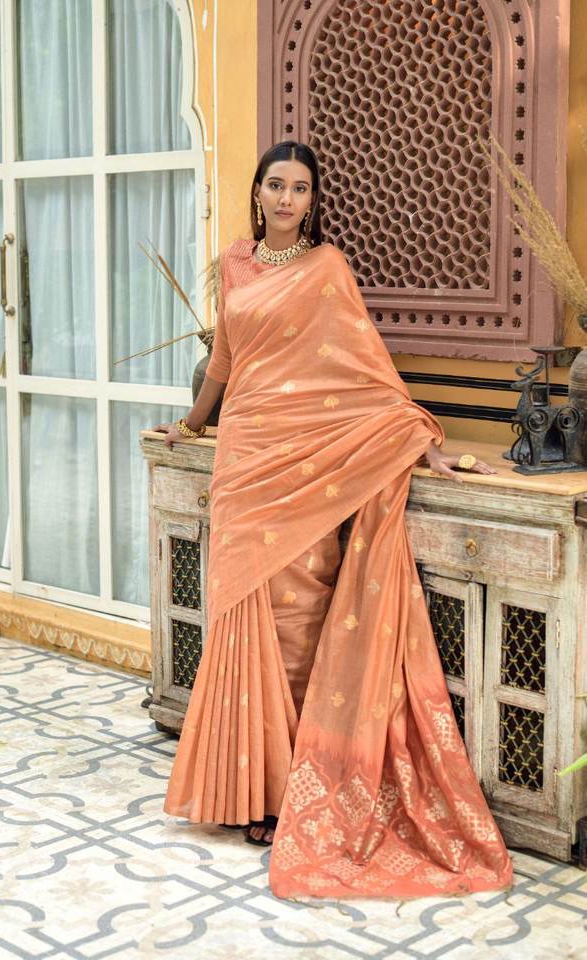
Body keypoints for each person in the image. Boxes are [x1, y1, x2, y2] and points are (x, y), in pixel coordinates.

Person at [154, 141, 512, 900]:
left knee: (297, 622)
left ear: (313, 200)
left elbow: (362, 365)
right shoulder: (235, 263)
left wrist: (414, 436)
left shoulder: (328, 268)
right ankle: (244, 789)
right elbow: (225, 362)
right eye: (275, 185)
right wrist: (190, 426)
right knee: (240, 615)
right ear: (257, 193)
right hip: (245, 458)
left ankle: (289, 792)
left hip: (308, 462)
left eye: (300, 188)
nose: (287, 198)